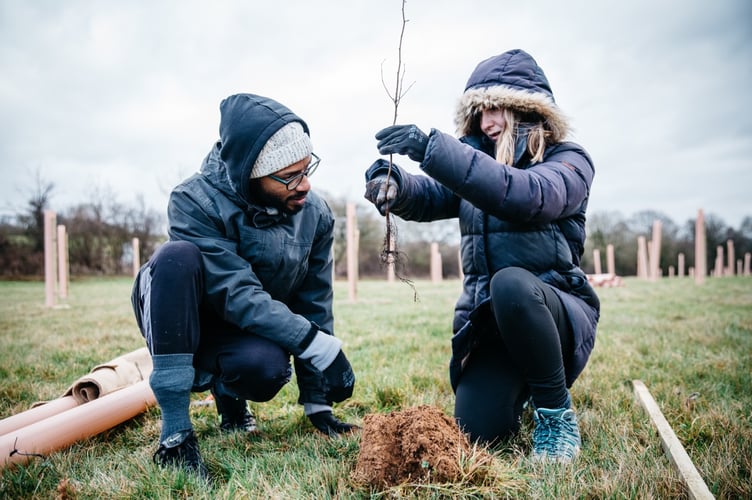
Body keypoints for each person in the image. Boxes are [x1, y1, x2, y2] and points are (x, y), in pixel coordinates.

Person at [364, 49, 599, 463]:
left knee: (510, 283)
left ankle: (555, 412)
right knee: (478, 431)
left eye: (497, 109)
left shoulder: (569, 162)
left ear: (527, 110)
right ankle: (520, 390)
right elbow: (432, 195)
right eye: (480, 112)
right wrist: (395, 185)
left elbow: (526, 196)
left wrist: (431, 147)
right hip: (491, 324)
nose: (486, 121)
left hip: (553, 312)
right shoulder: (477, 165)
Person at [132, 93, 357, 479]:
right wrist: (314, 343)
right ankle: (175, 437)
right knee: (176, 256)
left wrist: (318, 403)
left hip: (243, 327)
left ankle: (231, 404)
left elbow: (314, 300)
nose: (304, 185)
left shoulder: (314, 214)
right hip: (186, 318)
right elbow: (235, 292)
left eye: (307, 169)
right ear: (250, 174)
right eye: (288, 176)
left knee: (265, 368)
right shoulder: (192, 201)